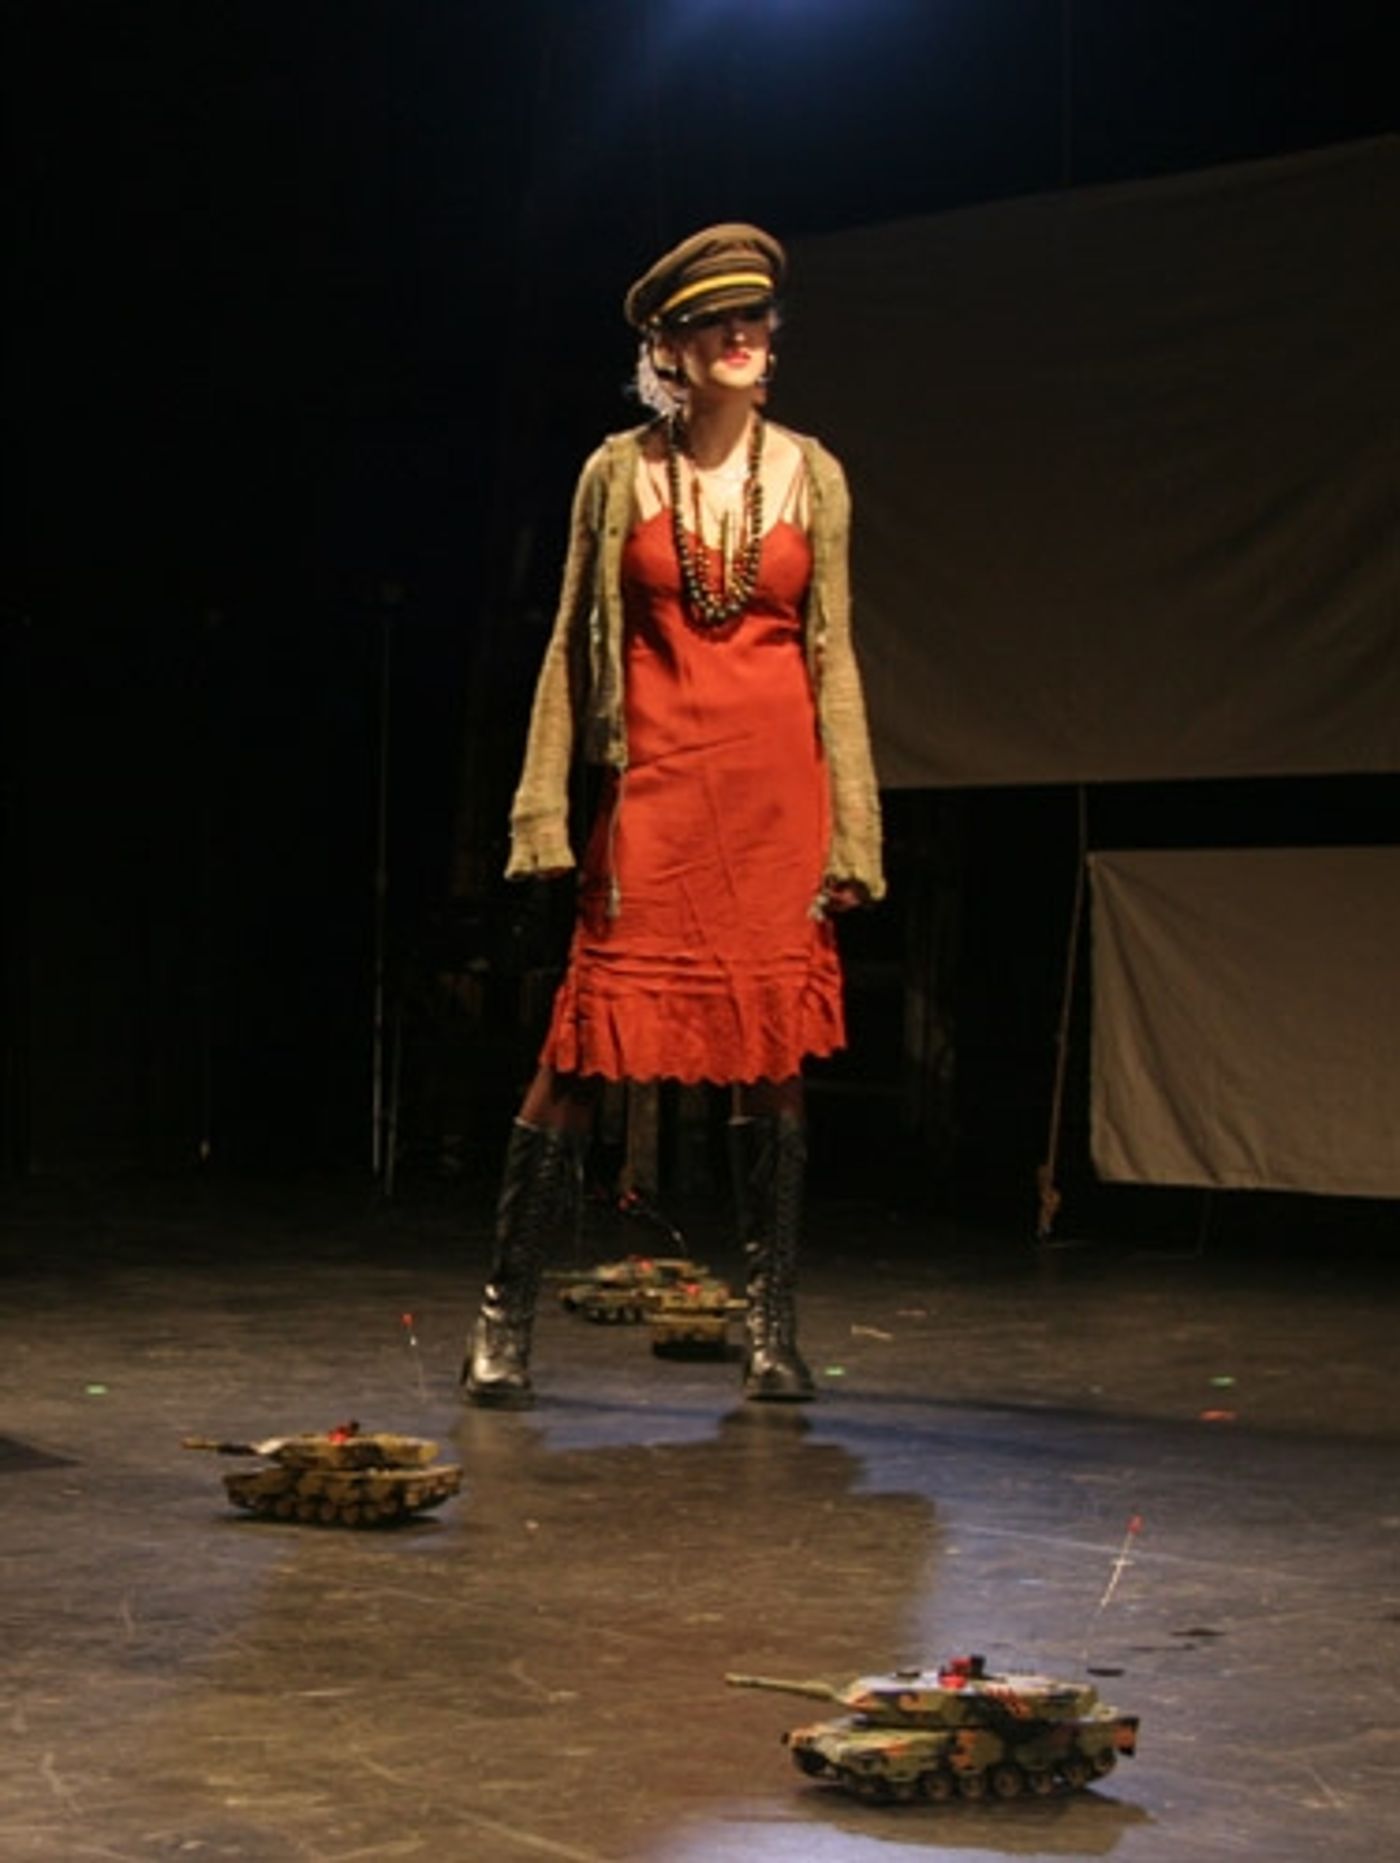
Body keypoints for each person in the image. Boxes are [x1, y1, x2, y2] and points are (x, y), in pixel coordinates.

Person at [462, 222, 884, 1408]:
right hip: (654, 788)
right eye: (714, 323)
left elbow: (832, 657)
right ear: (668, 347)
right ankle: (502, 1317)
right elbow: (569, 646)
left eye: (753, 319)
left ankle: (770, 1325)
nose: (741, 336)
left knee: (770, 1053)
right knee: (587, 1044)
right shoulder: (616, 474)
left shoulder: (811, 474)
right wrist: (541, 811)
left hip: (773, 796)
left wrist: (853, 831)